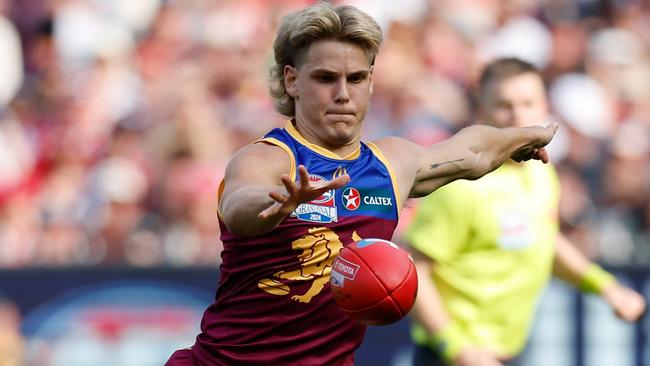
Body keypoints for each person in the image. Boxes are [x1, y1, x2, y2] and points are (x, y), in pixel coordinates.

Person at [165, 4, 559, 365]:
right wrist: (278, 202)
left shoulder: (391, 165)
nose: (342, 94)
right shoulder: (269, 158)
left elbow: (472, 151)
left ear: (371, 82)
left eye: (355, 78)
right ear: (292, 80)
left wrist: (520, 138)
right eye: (325, 78)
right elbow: (238, 207)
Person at [404, 57, 647, 366]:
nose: (518, 115)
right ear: (483, 109)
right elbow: (416, 271)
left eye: (528, 103)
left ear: (545, 107)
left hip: (510, 351)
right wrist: (458, 349)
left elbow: (544, 238)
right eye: (504, 105)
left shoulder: (542, 173)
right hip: (452, 356)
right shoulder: (461, 184)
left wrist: (607, 288)